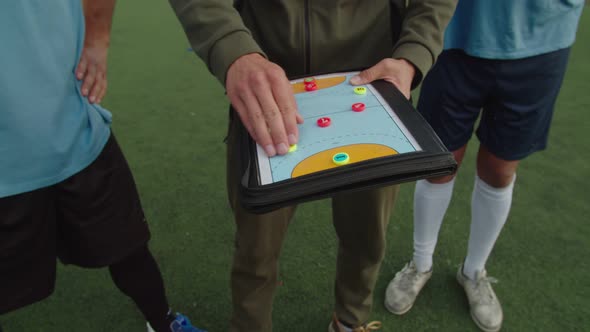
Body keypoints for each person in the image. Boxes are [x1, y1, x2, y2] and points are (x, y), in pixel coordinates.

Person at [168, 1, 457, 331]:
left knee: (367, 239)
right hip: (265, 94)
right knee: (255, 250)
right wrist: (232, 47)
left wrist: (413, 53)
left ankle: (350, 322)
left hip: (370, 87)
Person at [0, 1, 206, 331]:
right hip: (6, 168)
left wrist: (98, 37)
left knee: (130, 250)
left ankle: (162, 322)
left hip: (75, 131)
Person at [384, 1, 585, 331]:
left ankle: (473, 270)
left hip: (543, 37)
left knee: (500, 169)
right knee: (440, 163)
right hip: (454, 34)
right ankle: (420, 263)